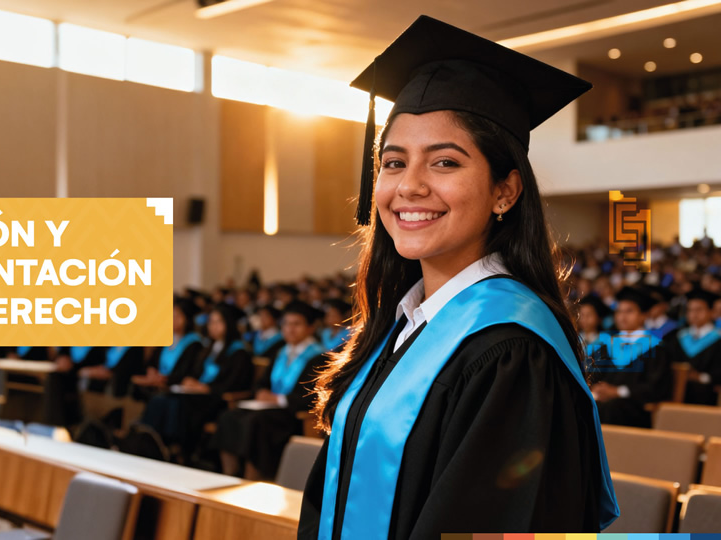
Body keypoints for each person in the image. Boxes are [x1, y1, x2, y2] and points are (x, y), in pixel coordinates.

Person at [297, 16, 618, 539]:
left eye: (444, 162)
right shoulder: (402, 325)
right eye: (394, 162)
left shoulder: (512, 352)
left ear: (505, 192)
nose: (410, 186)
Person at [214, 301, 327, 480]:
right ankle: (230, 475)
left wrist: (279, 400)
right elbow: (262, 383)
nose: (290, 329)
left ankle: (252, 479)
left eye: (296, 324)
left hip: (293, 415)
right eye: (286, 324)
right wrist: (261, 392)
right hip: (269, 410)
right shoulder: (281, 352)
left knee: (256, 423)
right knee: (228, 416)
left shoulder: (319, 357)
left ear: (311, 328)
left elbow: (313, 398)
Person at [140, 303, 253, 461]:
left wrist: (206, 388)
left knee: (177, 403)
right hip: (199, 396)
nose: (213, 326)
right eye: (211, 322)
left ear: (230, 323)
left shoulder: (239, 352)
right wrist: (190, 382)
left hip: (217, 400)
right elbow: (196, 373)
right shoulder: (210, 348)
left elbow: (234, 384)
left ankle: (178, 449)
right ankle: (151, 442)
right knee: (162, 399)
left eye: (218, 322)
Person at [586, 286, 671, 427]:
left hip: (636, 408)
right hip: (606, 402)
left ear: (643, 315)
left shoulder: (656, 347)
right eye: (619, 312)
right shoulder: (608, 345)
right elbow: (593, 374)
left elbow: (656, 387)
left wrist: (618, 391)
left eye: (629, 311)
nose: (622, 317)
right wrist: (596, 388)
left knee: (611, 407)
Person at [662, 288, 721, 404]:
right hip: (676, 388)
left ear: (712, 312)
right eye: (690, 310)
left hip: (706, 393)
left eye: (699, 310)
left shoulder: (718, 338)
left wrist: (700, 377)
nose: (694, 314)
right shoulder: (677, 336)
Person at [133, 298, 205, 392]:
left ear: (187, 319)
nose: (173, 320)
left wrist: (164, 379)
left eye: (178, 316)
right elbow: (152, 361)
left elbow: (186, 372)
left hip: (174, 389)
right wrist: (151, 370)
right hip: (156, 384)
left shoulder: (194, 343)